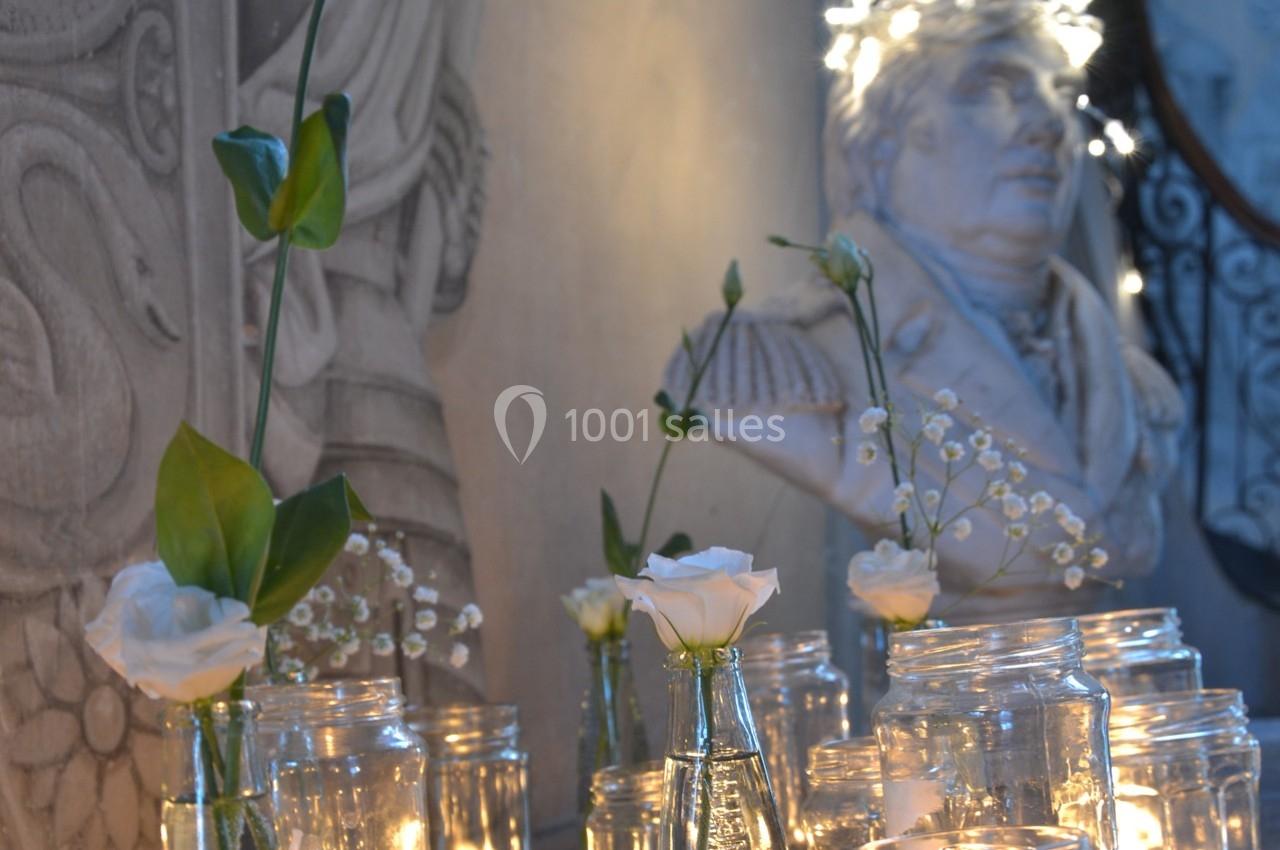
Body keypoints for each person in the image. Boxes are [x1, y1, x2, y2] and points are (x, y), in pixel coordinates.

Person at [667, 0, 1184, 621]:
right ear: (878, 142)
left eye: (1062, 93)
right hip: (947, 691)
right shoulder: (772, 360)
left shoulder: (1130, 381)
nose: (1049, 123)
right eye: (991, 88)